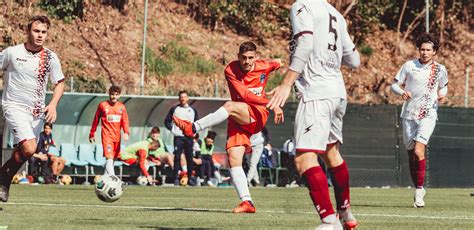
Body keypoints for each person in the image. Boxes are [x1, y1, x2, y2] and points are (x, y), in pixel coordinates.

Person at [267, 1, 361, 228]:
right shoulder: (336, 14)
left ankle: (329, 222)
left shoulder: (302, 6)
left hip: (317, 93)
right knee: (331, 153)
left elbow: (306, 42)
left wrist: (286, 84)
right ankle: (345, 214)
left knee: (304, 158)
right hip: (337, 92)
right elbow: (355, 61)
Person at [173, 41, 283, 213]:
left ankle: (192, 128)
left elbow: (279, 63)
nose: (247, 61)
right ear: (238, 57)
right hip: (239, 117)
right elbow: (245, 94)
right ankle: (247, 202)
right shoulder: (231, 70)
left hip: (257, 114)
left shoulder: (263, 66)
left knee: (230, 105)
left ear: (256, 57)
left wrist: (281, 77)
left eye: (251, 58)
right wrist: (273, 103)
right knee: (234, 159)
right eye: (244, 58)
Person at [0, 15, 65, 202]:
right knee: (29, 148)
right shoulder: (12, 53)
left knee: (24, 152)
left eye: (44, 32)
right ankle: (5, 178)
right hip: (14, 106)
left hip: (36, 113)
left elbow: (59, 83)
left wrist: (53, 104)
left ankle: (3, 178)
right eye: (36, 31)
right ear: (28, 31)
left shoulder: (51, 58)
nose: (40, 35)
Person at [390, 33, 448, 208]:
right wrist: (402, 92)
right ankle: (418, 187)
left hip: (428, 114)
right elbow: (393, 84)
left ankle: (419, 191)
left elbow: (444, 86)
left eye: (428, 50)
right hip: (409, 114)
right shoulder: (409, 66)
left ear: (434, 52)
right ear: (419, 50)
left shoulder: (440, 69)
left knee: (418, 151)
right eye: (422, 49)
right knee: (411, 156)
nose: (424, 53)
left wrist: (442, 96)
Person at [89, 85, 130, 176]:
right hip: (107, 136)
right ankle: (113, 178)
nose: (114, 96)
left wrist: (126, 132)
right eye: (112, 94)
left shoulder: (121, 107)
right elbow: (96, 120)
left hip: (117, 137)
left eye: (116, 94)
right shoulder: (103, 105)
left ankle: (105, 178)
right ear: (109, 94)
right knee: (109, 158)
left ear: (119, 96)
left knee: (113, 159)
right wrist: (92, 133)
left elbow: (125, 121)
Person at [164, 90, 198, 186]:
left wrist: (194, 133)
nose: (182, 99)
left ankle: (190, 178)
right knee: (177, 157)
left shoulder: (192, 110)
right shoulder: (175, 109)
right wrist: (173, 130)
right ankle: (175, 178)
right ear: (179, 98)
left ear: (188, 98)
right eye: (181, 97)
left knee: (189, 157)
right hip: (178, 137)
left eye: (184, 97)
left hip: (189, 137)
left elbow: (196, 123)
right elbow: (167, 121)